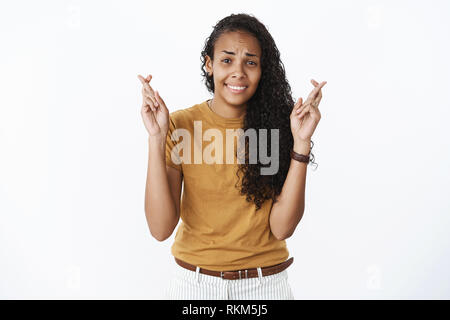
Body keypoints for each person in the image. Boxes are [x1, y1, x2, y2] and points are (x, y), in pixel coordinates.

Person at [138, 13, 326, 300]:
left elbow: (282, 227)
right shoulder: (180, 125)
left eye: (250, 62)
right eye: (227, 60)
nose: (239, 71)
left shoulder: (275, 127)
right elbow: (160, 228)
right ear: (209, 64)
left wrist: (301, 142)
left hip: (265, 286)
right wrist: (156, 137)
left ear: (263, 70)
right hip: (195, 287)